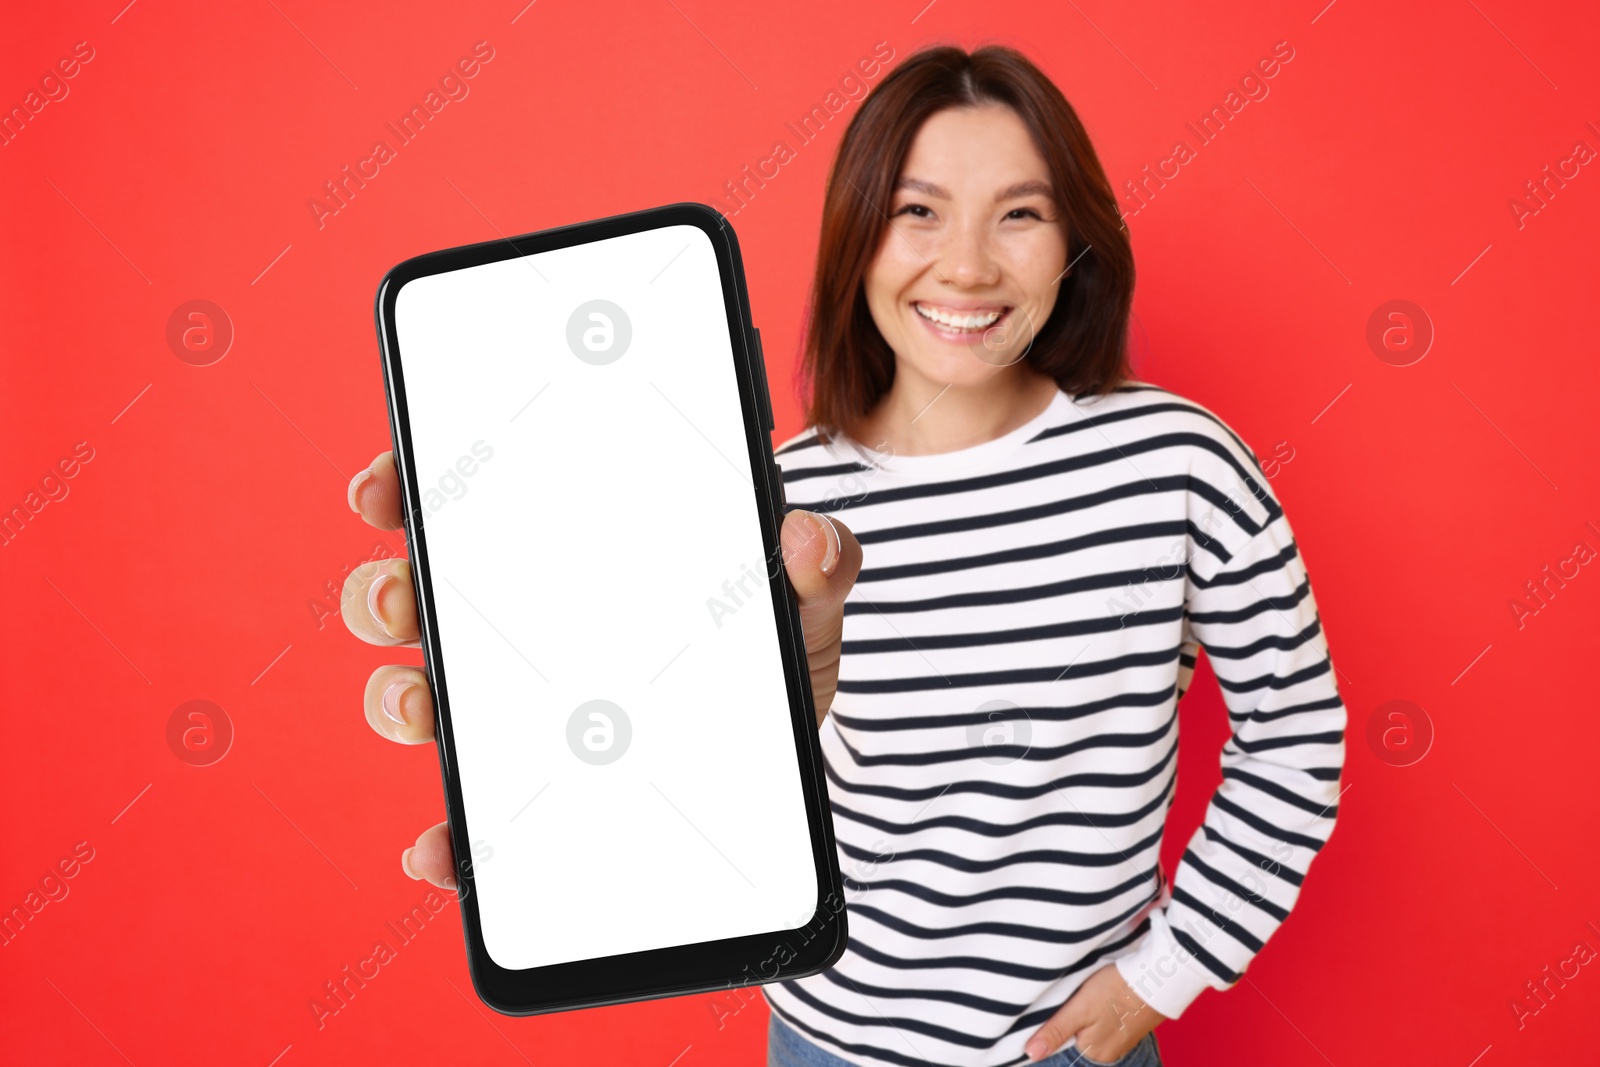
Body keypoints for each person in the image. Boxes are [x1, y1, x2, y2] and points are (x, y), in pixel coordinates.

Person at [343, 42, 1346, 1067]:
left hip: (1070, 1054)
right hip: (822, 1043)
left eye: (1020, 212)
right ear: (855, 238)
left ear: (1076, 240)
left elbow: (1296, 731)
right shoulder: (782, 496)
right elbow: (702, 766)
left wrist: (1161, 973)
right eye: (918, 211)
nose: (966, 264)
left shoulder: (1176, 462)